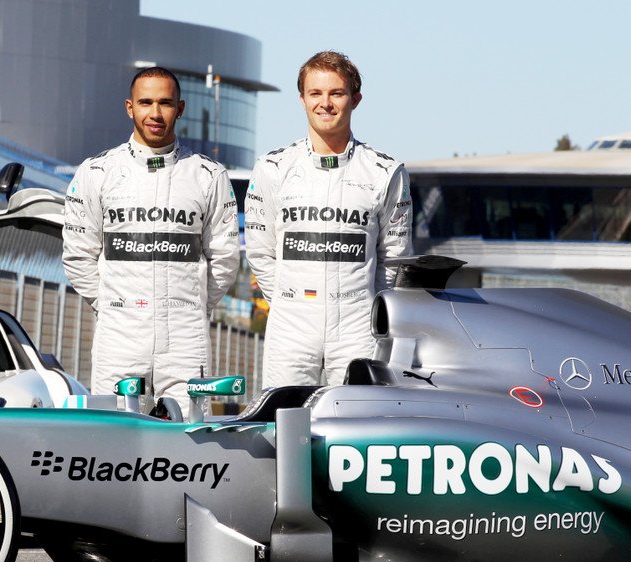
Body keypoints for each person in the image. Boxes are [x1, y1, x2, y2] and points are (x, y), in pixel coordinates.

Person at [63, 66, 240, 411]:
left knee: (188, 431)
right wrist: (112, 305)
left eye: (165, 103)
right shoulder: (97, 172)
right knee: (114, 432)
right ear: (130, 107)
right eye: (146, 103)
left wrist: (193, 306)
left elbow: (225, 257)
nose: (155, 113)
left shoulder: (208, 175)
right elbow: (78, 256)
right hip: (119, 334)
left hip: (185, 335)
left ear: (180, 108)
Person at [245, 51, 412, 388]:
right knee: (284, 415)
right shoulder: (272, 168)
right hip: (291, 324)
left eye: (336, 93)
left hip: (357, 325)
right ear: (302, 99)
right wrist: (289, 302)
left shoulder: (385, 171)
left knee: (358, 417)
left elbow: (395, 258)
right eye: (315, 93)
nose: (325, 103)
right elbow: (260, 251)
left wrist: (368, 305)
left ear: (355, 99)